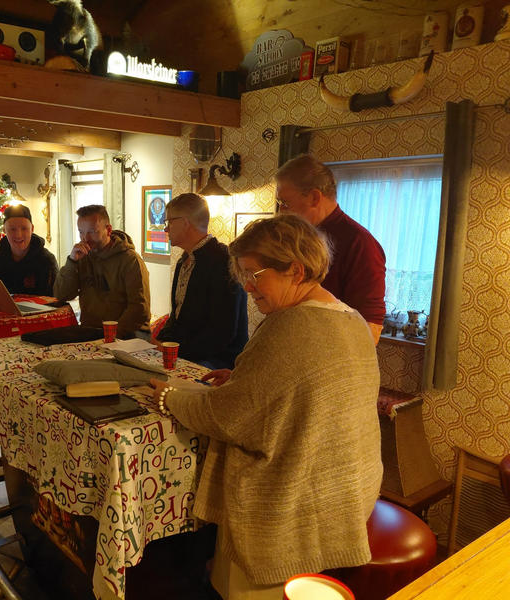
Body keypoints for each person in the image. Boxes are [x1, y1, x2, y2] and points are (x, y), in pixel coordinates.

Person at [149, 214, 382, 599]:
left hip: (292, 505)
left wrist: (168, 396)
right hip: (347, 490)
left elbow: (225, 417)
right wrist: (242, 376)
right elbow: (304, 390)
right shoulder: (351, 318)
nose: (246, 285)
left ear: (296, 270)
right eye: (243, 274)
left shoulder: (289, 325)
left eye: (255, 274)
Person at [275, 154, 386, 343]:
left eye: (285, 204)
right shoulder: (298, 237)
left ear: (314, 197)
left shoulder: (360, 243)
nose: (280, 212)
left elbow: (370, 330)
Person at [155, 193, 248, 369]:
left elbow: (222, 332)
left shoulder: (224, 261)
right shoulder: (184, 260)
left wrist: (177, 351)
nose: (166, 229)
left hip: (216, 362)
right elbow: (177, 317)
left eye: (169, 222)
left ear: (184, 223)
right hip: (186, 354)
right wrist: (160, 341)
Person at [54, 204, 150, 338]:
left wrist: (110, 334)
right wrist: (71, 261)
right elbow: (62, 295)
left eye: (92, 232)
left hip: (128, 335)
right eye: (81, 232)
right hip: (91, 331)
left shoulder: (130, 260)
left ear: (108, 230)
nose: (85, 238)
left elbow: (139, 309)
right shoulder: (82, 257)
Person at [0, 204, 58, 296]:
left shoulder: (46, 260)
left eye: (24, 229)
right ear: (4, 230)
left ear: (32, 229)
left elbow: (54, 297)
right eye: (12, 229)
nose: (18, 235)